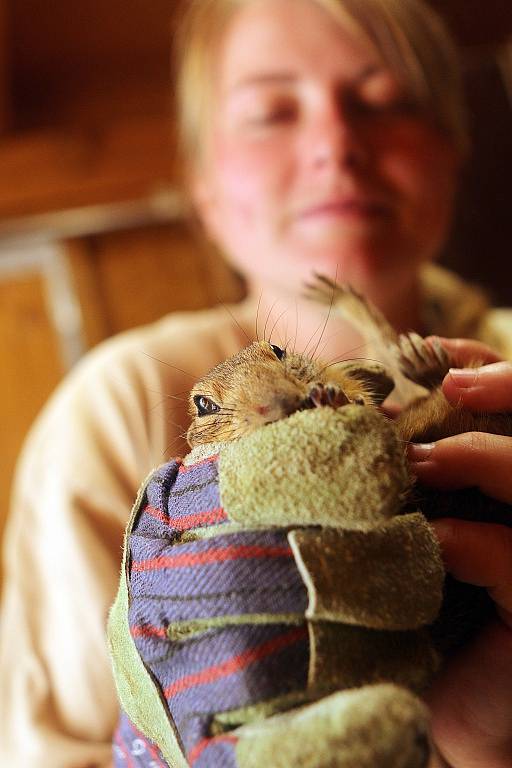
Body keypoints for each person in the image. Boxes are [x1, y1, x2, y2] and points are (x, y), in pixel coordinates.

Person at [1, 0, 511, 766]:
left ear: (453, 148)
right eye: (271, 112)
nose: (336, 145)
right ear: (202, 188)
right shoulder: (124, 403)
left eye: (384, 101)